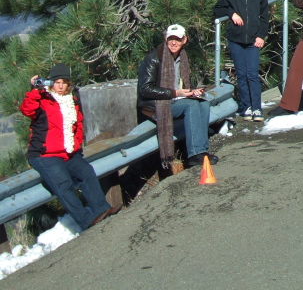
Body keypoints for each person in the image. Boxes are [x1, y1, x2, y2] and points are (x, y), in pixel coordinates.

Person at [21, 64, 118, 231]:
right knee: (64, 184)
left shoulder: (72, 102)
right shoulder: (42, 99)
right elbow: (27, 110)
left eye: (64, 82)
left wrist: (76, 145)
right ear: (50, 83)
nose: (60, 86)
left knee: (86, 171)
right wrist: (34, 90)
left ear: (68, 84)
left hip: (67, 152)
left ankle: (102, 208)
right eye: (56, 82)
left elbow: (78, 125)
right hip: (44, 155)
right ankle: (86, 220)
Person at [138, 24, 217, 168]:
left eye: (177, 39)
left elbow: (180, 85)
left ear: (184, 40)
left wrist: (192, 91)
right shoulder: (153, 59)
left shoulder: (182, 57)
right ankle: (195, 154)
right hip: (156, 104)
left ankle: (203, 149)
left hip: (175, 98)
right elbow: (145, 89)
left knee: (203, 103)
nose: (174, 43)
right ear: (165, 39)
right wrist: (175, 93)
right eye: (170, 39)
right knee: (191, 105)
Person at [213, 0, 269, 122]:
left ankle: (257, 107)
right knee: (241, 74)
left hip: (253, 40)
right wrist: (232, 14)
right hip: (235, 39)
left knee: (252, 74)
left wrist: (261, 36)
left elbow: (264, 15)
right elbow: (218, 8)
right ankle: (246, 107)